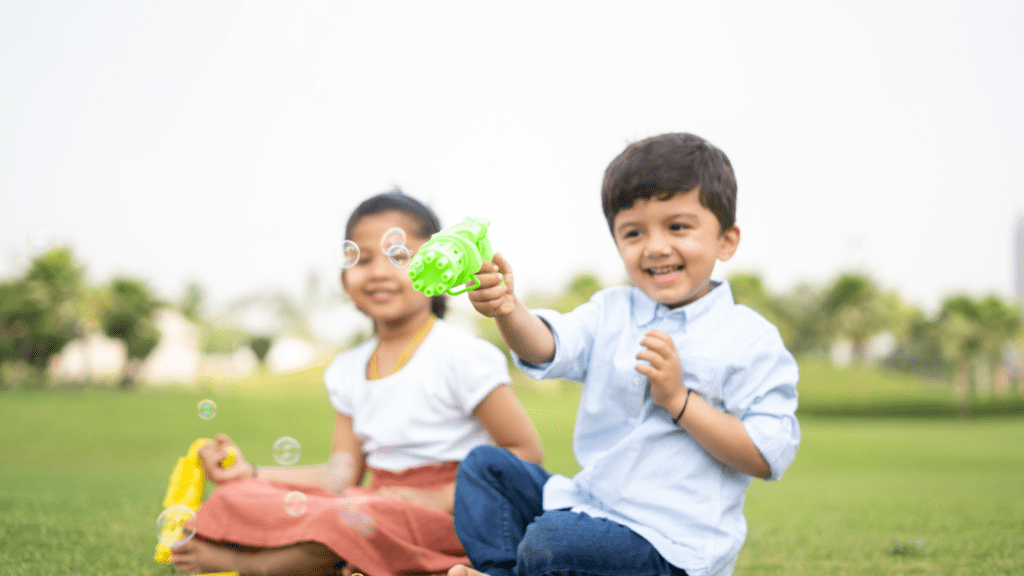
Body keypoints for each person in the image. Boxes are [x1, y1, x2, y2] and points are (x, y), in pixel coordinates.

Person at [450, 133, 800, 576]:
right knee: (485, 468)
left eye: (678, 227)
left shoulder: (749, 339)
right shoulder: (612, 310)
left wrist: (680, 401)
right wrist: (508, 308)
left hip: (671, 548)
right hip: (589, 506)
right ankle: (500, 572)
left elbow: (767, 456)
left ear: (726, 241)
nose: (654, 247)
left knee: (554, 541)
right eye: (633, 232)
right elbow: (548, 345)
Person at [170, 190, 544, 576]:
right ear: (345, 279)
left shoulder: (460, 355)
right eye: (362, 259)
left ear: (439, 267)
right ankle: (345, 560)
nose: (379, 271)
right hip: (372, 503)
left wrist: (440, 497)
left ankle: (248, 564)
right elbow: (341, 474)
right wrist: (250, 473)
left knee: (347, 519)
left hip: (454, 512)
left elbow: (526, 450)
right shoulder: (349, 368)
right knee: (244, 497)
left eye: (400, 256)